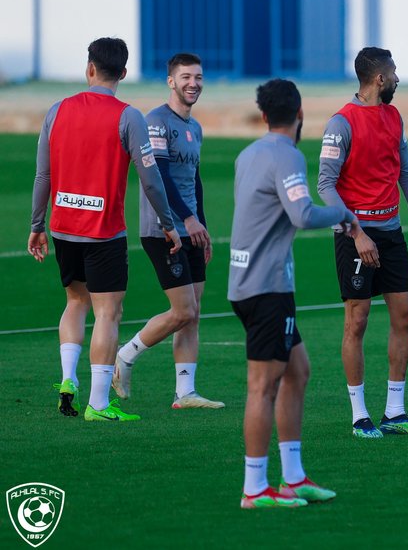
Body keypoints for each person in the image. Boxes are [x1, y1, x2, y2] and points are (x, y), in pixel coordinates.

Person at [28, 37, 181, 422]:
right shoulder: (129, 117)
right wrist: (168, 223)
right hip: (104, 233)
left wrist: (36, 224)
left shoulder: (57, 110)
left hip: (63, 228)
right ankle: (98, 403)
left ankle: (67, 380)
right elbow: (151, 180)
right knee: (108, 313)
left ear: (89, 68)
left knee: (75, 303)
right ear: (124, 73)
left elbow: (43, 174)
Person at [230, 79, 356, 509]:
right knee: (262, 386)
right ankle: (254, 488)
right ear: (300, 114)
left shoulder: (249, 154)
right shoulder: (287, 156)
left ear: (264, 116)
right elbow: (302, 214)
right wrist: (343, 213)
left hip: (249, 282)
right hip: (266, 287)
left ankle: (294, 478)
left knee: (297, 372)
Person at [317, 47, 408, 439]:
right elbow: (325, 185)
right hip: (356, 235)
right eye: (395, 73)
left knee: (406, 317)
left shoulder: (394, 116)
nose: (399, 79)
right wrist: (356, 232)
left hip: (390, 232)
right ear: (379, 79)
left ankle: (395, 412)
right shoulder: (341, 123)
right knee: (358, 321)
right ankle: (359, 415)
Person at [112, 53, 224, 409]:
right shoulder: (155, 122)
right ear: (171, 81)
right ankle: (125, 356)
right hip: (163, 230)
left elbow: (194, 180)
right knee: (182, 311)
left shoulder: (195, 127)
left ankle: (185, 392)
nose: (194, 83)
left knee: (194, 311)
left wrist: (200, 226)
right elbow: (156, 176)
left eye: (199, 77)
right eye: (186, 77)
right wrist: (185, 220)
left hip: (190, 229)